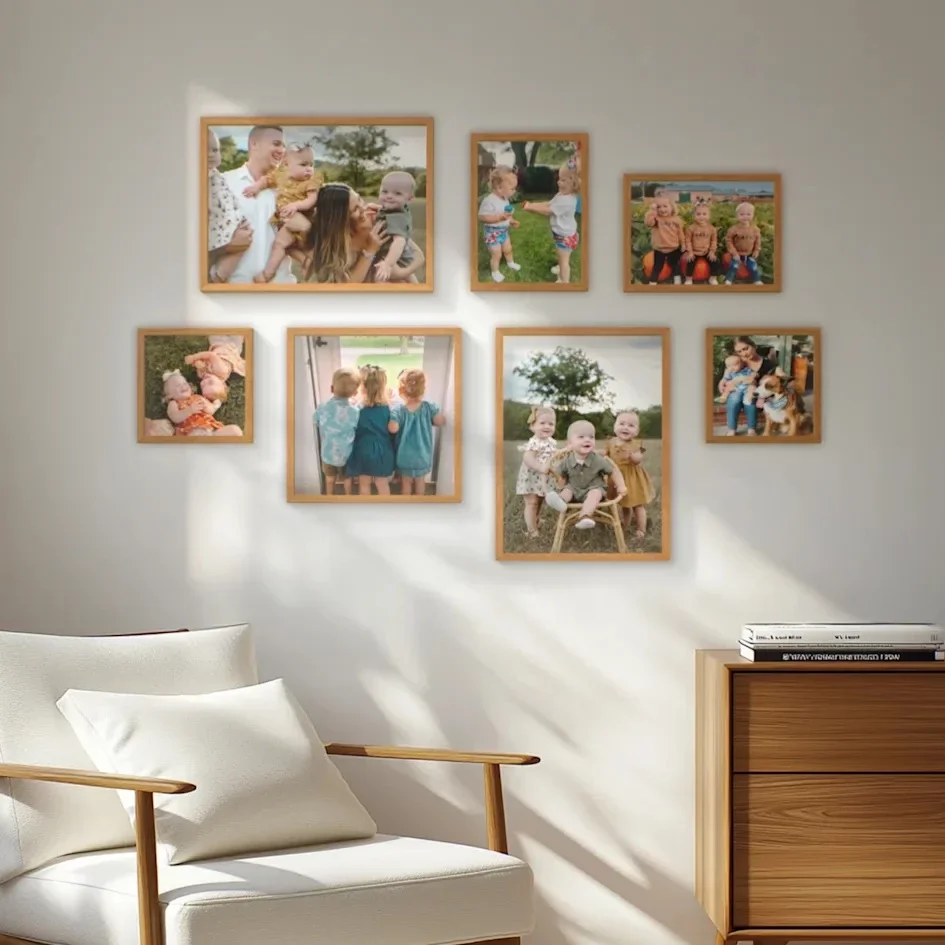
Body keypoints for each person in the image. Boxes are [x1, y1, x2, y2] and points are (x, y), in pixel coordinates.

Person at [301, 184, 424, 284]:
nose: (363, 208)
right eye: (355, 209)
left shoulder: (378, 222)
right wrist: (370, 250)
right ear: (341, 221)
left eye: (359, 199)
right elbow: (345, 287)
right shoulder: (333, 246)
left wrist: (401, 272)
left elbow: (418, 255)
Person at [219, 125, 295, 284]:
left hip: (283, 290)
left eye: (283, 145)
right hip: (235, 292)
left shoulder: (291, 188)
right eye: (276, 143)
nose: (281, 150)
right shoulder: (224, 182)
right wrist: (227, 244)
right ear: (254, 144)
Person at [242, 144, 323, 283]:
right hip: (285, 220)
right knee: (287, 248)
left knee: (279, 245)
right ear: (286, 164)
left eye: (311, 164)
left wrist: (296, 205)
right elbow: (266, 180)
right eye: (303, 164)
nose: (309, 169)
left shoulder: (311, 181)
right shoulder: (281, 175)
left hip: (300, 218)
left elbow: (311, 200)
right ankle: (307, 262)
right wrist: (256, 186)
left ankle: (267, 275)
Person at [545, 420, 626, 529]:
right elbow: (562, 476)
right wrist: (560, 484)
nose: (587, 439)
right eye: (581, 437)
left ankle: (585, 516)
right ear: (569, 444)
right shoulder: (567, 460)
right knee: (567, 491)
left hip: (594, 488)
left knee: (595, 494)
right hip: (574, 489)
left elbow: (613, 471)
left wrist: (621, 485)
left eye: (591, 437)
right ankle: (560, 501)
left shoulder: (597, 459)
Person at [390, 368, 446, 496]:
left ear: (401, 391)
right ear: (423, 389)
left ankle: (406, 508)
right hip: (422, 456)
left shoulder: (399, 410)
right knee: (420, 482)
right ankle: (419, 504)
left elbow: (393, 428)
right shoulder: (429, 407)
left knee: (406, 483)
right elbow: (440, 421)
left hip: (404, 457)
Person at [522, 163, 581, 284]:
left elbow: (548, 211)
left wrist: (530, 208)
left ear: (573, 182)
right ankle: (560, 267)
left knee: (564, 260)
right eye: (559, 179)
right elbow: (549, 203)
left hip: (565, 237)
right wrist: (532, 204)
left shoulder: (567, 200)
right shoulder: (562, 195)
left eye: (563, 180)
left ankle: (564, 281)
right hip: (562, 234)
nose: (559, 182)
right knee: (561, 255)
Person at [345, 365, 399, 495]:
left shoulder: (357, 409)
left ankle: (365, 511)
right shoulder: (389, 409)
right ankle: (385, 510)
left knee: (364, 484)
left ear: (361, 387)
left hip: (362, 450)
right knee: (382, 483)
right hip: (383, 451)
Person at [206, 129, 250, 283]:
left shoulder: (217, 173)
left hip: (231, 219)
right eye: (205, 150)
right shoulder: (203, 175)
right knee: (234, 246)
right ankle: (217, 277)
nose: (211, 154)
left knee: (241, 246)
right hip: (220, 223)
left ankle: (219, 275)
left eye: (215, 150)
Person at [602, 410, 655, 540]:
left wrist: (633, 457)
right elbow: (605, 454)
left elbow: (638, 458)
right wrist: (597, 453)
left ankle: (641, 529)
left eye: (631, 425)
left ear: (636, 431)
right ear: (615, 427)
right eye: (622, 423)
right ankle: (625, 525)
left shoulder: (635, 444)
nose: (625, 427)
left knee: (637, 504)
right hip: (617, 478)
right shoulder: (611, 442)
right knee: (625, 505)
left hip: (632, 479)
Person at [314, 366, 361, 495]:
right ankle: (348, 497)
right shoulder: (355, 411)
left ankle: (329, 497)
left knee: (329, 479)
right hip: (347, 454)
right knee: (347, 479)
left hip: (328, 454)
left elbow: (315, 420)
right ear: (355, 393)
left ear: (331, 388)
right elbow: (357, 427)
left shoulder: (322, 408)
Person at [723, 336, 783, 436]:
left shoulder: (767, 364)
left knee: (750, 399)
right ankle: (732, 429)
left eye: (746, 348)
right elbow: (726, 376)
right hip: (737, 391)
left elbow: (780, 374)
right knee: (734, 398)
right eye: (739, 351)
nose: (744, 354)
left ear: (754, 346)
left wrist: (783, 376)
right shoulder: (737, 361)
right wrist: (722, 384)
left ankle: (752, 429)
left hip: (753, 393)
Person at [515, 406, 558, 539]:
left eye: (551, 424)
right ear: (532, 426)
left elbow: (554, 456)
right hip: (531, 478)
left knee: (539, 501)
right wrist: (540, 467)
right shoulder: (535, 442)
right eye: (542, 423)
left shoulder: (551, 442)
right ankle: (532, 530)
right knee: (531, 502)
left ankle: (536, 519)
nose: (547, 426)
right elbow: (528, 458)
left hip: (543, 478)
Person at [161, 369, 242, 437]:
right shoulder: (174, 403)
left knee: (235, 430)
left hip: (212, 431)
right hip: (192, 432)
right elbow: (175, 417)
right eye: (177, 386)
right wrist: (189, 410)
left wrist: (207, 406)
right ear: (169, 395)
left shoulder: (197, 397)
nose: (183, 386)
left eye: (184, 383)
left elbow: (211, 410)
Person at [478, 166, 521, 283]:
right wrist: (498, 218)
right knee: (496, 254)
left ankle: (510, 262)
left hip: (504, 232)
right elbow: (482, 216)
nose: (514, 191)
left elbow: (507, 216)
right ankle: (495, 271)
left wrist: (512, 221)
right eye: (512, 188)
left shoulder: (505, 199)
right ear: (499, 187)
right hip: (492, 233)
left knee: (508, 249)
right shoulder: (489, 201)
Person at [373, 171, 418, 283]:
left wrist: (388, 264)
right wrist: (378, 208)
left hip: (395, 257)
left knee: (379, 279)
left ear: (409, 199)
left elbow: (399, 241)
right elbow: (388, 212)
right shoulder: (400, 209)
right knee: (410, 279)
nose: (389, 196)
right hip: (402, 257)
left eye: (397, 193)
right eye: (385, 191)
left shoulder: (397, 218)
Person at [643, 195, 685, 285]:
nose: (662, 209)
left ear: (672, 207)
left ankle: (677, 279)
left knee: (674, 265)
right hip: (659, 249)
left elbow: (680, 233)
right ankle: (653, 281)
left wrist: (683, 243)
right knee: (657, 267)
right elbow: (648, 222)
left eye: (665, 206)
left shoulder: (676, 220)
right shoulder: (656, 219)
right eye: (659, 207)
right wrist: (652, 211)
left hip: (673, 248)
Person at [724, 202, 764, 284]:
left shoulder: (755, 229)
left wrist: (756, 250)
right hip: (737, 253)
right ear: (737, 216)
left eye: (748, 214)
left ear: (753, 215)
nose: (745, 217)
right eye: (742, 214)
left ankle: (757, 280)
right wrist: (734, 253)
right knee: (734, 266)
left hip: (749, 254)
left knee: (753, 267)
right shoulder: (733, 229)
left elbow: (758, 241)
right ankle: (728, 279)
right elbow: (729, 241)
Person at [684, 200, 721, 285]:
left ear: (709, 216)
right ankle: (689, 278)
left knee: (715, 262)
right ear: (694, 216)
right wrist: (690, 252)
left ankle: (713, 277)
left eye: (704, 214)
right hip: (694, 251)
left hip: (706, 251)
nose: (701, 217)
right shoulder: (691, 228)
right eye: (698, 214)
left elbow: (714, 241)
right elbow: (688, 241)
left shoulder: (712, 229)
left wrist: (712, 252)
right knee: (690, 262)